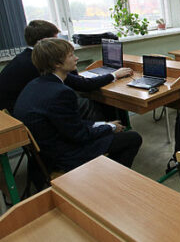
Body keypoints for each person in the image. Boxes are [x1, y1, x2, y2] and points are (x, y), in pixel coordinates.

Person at [14, 38, 142, 172]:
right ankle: (110, 179)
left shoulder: (34, 84)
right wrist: (109, 127)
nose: (76, 58)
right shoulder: (61, 93)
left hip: (45, 154)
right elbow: (80, 135)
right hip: (64, 156)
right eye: (71, 55)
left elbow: (71, 124)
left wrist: (104, 125)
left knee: (106, 128)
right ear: (57, 63)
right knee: (132, 138)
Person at [0, 20, 132, 116]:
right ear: (46, 41)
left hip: (23, 107)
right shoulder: (39, 61)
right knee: (91, 102)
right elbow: (81, 85)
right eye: (56, 38)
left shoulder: (27, 56)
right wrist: (114, 75)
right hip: (23, 113)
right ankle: (106, 133)